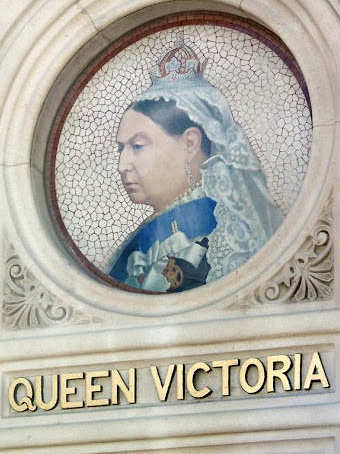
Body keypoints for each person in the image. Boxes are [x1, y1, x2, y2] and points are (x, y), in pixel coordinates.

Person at [106, 39, 284, 293]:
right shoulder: (142, 241)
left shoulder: (226, 234)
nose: (122, 165)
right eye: (120, 149)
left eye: (138, 146)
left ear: (189, 143)